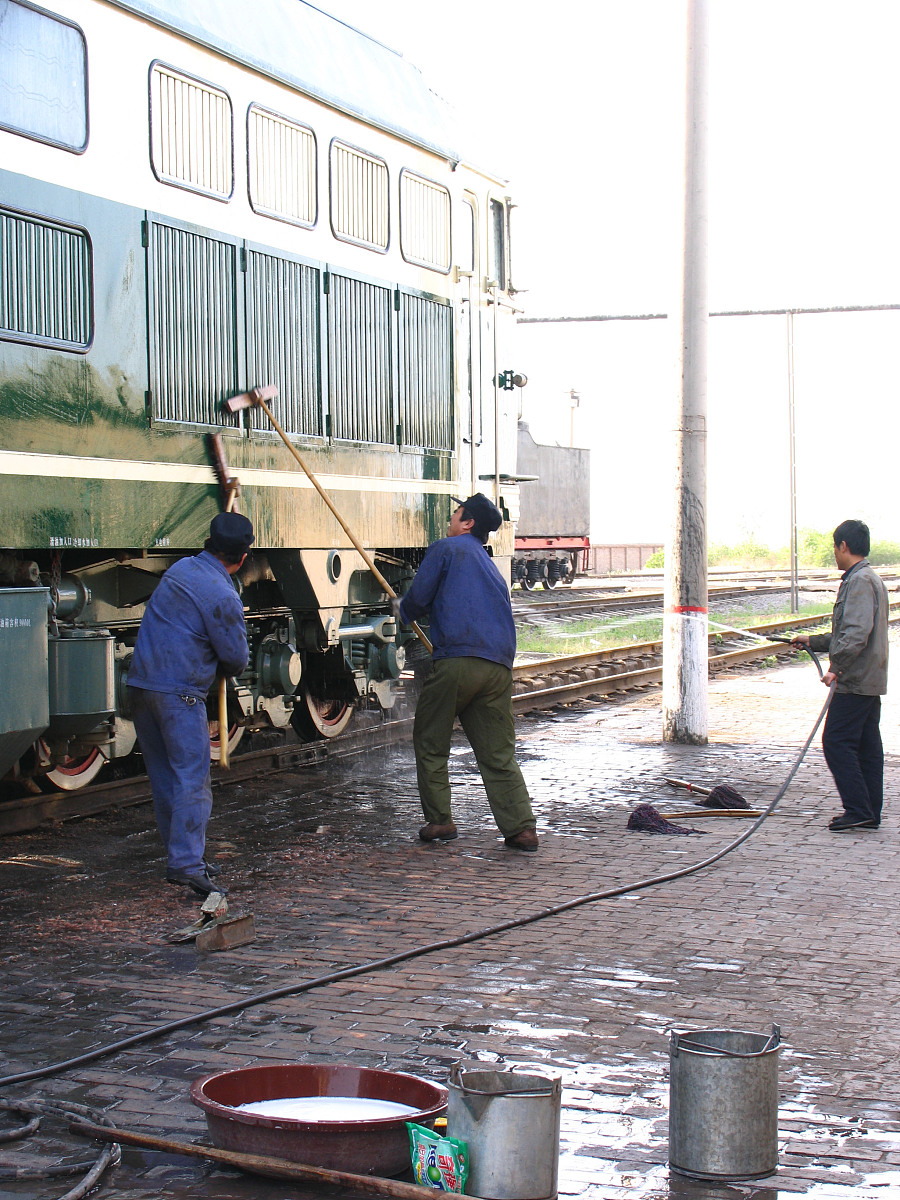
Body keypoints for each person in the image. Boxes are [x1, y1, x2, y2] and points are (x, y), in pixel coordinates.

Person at [397, 493, 539, 851]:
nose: (451, 517)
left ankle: (440, 821)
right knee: (497, 752)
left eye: (455, 512)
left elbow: (418, 599)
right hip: (498, 668)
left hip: (458, 662)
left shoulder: (448, 548)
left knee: (430, 739)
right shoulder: (490, 566)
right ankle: (521, 828)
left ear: (467, 522)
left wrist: (401, 611)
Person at [128, 512, 253, 894]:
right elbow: (236, 659)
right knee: (192, 779)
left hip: (141, 685)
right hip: (179, 695)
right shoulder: (222, 595)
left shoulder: (180, 569)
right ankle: (185, 863)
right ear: (243, 557)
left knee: (166, 776)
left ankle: (181, 856)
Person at [792, 519, 889, 833]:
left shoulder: (859, 581)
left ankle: (858, 809)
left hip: (856, 679)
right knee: (866, 746)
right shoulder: (867, 578)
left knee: (836, 741)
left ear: (843, 546)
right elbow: (846, 632)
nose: (834, 554)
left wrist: (836, 668)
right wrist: (814, 642)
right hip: (868, 678)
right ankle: (869, 812)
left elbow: (856, 633)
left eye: (835, 547)